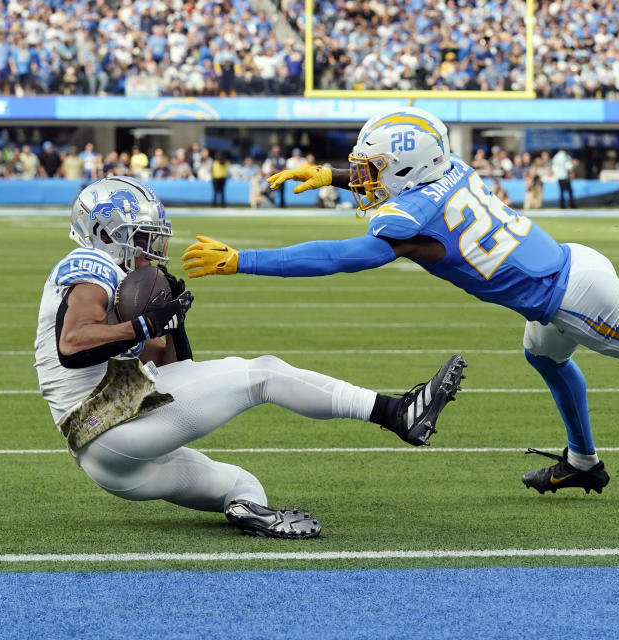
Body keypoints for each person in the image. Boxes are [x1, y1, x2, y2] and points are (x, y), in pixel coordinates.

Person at [181, 106, 619, 495]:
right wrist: (336, 174)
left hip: (576, 298)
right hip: (563, 274)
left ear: (401, 170)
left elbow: (340, 257)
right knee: (544, 356)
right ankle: (583, 461)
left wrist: (244, 259)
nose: (364, 180)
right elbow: (408, 178)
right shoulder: (445, 167)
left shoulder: (405, 218)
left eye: (371, 171)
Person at [34, 175, 466, 538]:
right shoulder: (91, 262)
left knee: (241, 484)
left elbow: (174, 372)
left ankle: (251, 515)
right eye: (143, 239)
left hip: (111, 462)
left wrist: (172, 323)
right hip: (107, 420)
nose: (152, 250)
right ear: (106, 234)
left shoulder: (115, 282)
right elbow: (73, 345)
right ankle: (395, 412)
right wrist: (147, 324)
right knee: (263, 374)